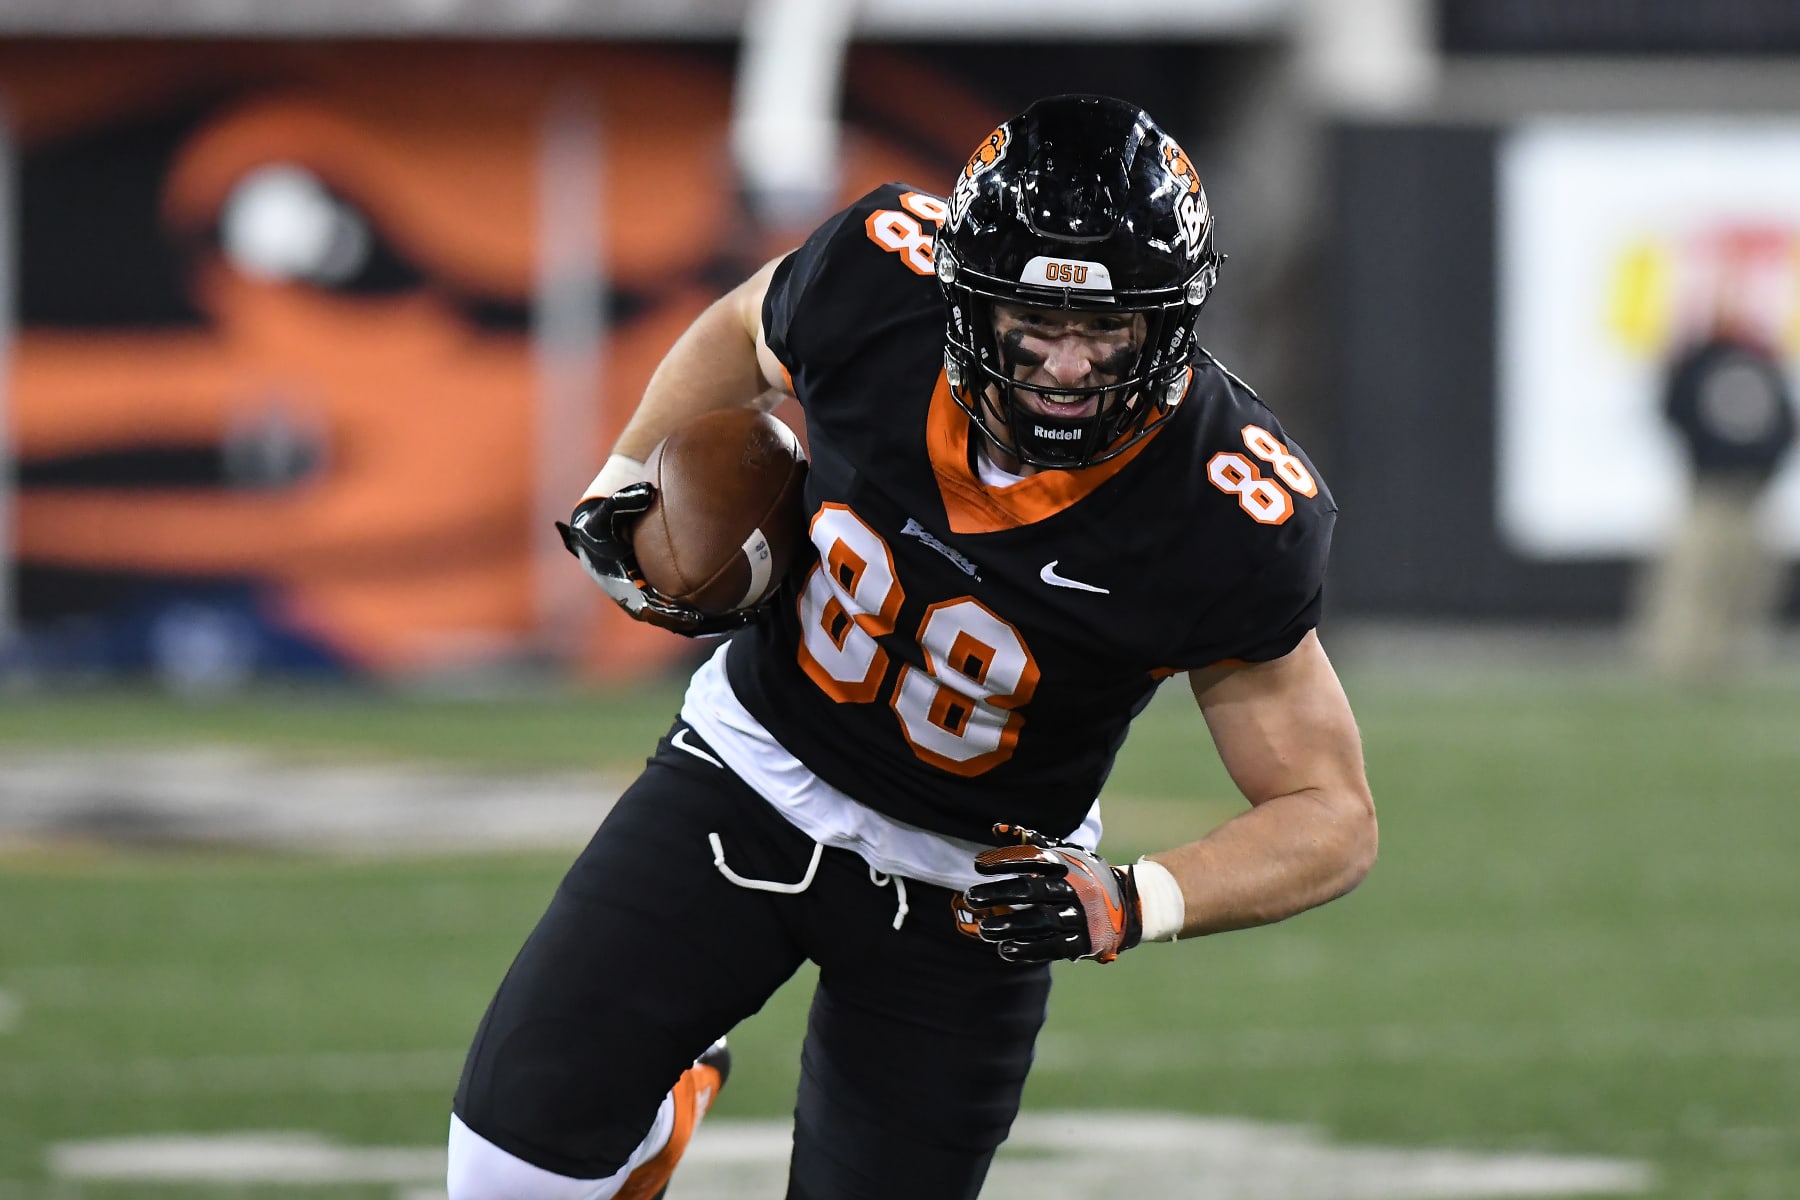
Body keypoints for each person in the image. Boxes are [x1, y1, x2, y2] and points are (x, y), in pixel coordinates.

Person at [448, 93, 1377, 1200]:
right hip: (752, 771)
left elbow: (1330, 814)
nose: (1069, 368)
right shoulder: (876, 281)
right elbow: (745, 325)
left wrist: (1132, 898)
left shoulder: (1224, 508)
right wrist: (627, 475)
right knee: (510, 1174)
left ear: (1170, 322)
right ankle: (658, 1117)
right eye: (1036, 323)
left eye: (1106, 327)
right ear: (965, 299)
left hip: (974, 888)